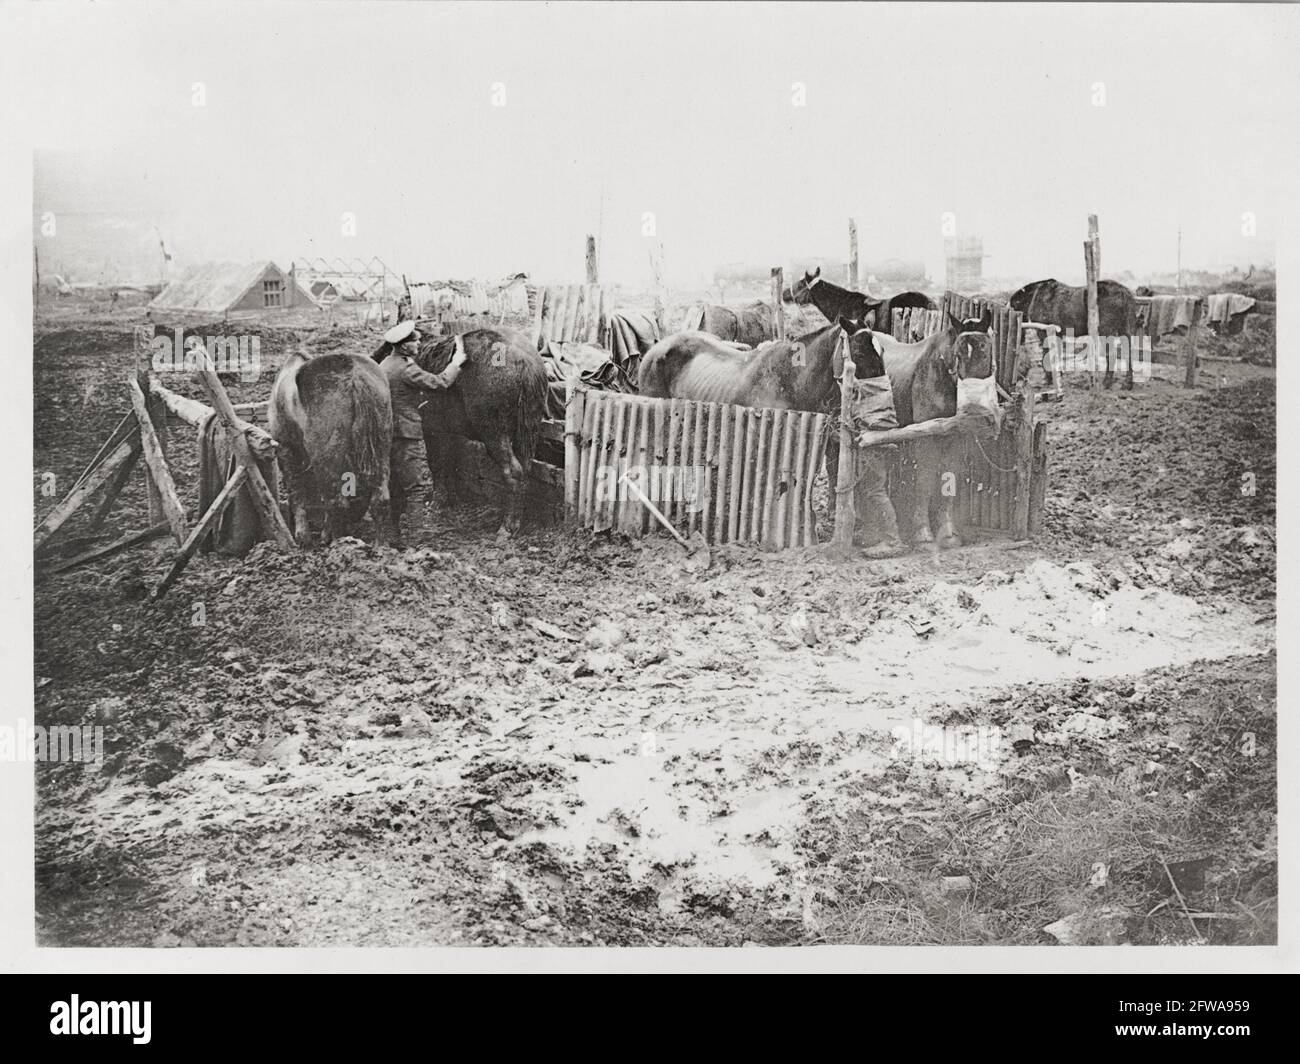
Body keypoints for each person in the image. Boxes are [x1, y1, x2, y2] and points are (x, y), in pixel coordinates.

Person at [378, 320, 468, 531]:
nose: (419, 344)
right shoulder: (406, 368)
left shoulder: (384, 365)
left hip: (389, 433)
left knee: (395, 484)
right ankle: (420, 537)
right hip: (408, 434)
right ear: (404, 346)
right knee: (420, 487)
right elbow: (441, 383)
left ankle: (392, 532)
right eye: (416, 341)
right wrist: (456, 362)